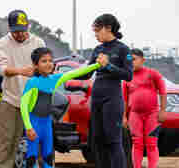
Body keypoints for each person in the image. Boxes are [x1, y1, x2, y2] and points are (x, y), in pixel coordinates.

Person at [21, 47, 101, 168]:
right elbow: (24, 105)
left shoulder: (54, 79)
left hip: (47, 123)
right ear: (35, 65)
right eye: (44, 61)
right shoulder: (32, 82)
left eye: (50, 61)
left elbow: (75, 73)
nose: (48, 64)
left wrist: (97, 65)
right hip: (34, 123)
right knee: (32, 157)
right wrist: (28, 127)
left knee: (48, 155)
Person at [77, 14, 133, 168]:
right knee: (97, 140)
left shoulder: (122, 49)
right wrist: (61, 77)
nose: (95, 35)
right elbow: (87, 73)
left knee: (113, 140)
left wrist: (108, 65)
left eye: (97, 31)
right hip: (96, 98)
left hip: (112, 98)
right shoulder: (98, 49)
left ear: (108, 28)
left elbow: (128, 75)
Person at [0, 10, 46, 168]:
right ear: (10, 29)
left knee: (39, 141)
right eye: (16, 31)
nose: (20, 34)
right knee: (6, 142)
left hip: (35, 101)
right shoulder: (2, 43)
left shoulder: (38, 43)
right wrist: (21, 71)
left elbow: (46, 66)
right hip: (11, 99)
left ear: (28, 27)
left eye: (23, 30)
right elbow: (2, 69)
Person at [123, 48, 167, 168]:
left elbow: (163, 92)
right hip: (135, 114)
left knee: (151, 143)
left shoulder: (153, 74)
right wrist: (124, 117)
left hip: (152, 113)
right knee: (137, 143)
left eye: (133, 59)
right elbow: (125, 99)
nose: (131, 62)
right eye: (128, 60)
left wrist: (163, 111)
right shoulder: (127, 77)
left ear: (143, 60)